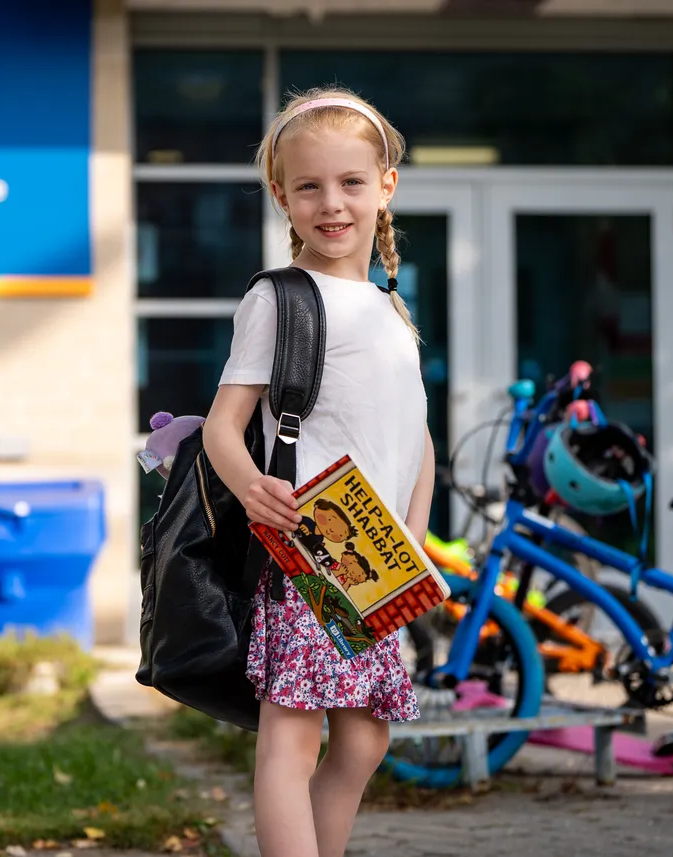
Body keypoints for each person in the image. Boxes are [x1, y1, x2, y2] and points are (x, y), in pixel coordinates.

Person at [201, 87, 435, 857]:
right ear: (282, 196)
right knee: (292, 742)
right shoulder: (281, 300)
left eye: (350, 183)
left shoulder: (390, 311)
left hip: (377, 564)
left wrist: (417, 540)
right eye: (309, 186)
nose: (331, 204)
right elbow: (222, 426)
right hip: (311, 552)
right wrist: (248, 485)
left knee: (363, 744)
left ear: (386, 186)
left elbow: (418, 436)